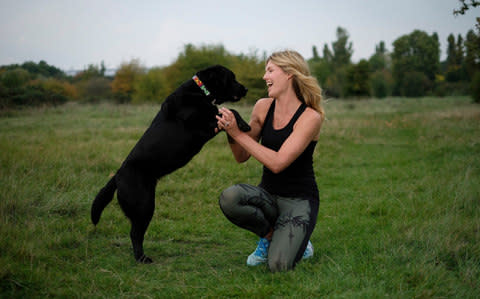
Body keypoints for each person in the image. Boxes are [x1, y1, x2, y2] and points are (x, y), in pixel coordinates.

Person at [216, 50, 324, 272]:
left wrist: (238, 134)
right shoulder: (263, 107)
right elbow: (241, 156)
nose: (265, 77)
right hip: (268, 196)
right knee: (230, 197)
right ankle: (269, 236)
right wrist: (230, 128)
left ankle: (302, 245)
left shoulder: (310, 117)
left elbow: (277, 163)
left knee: (278, 265)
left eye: (270, 70)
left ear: (289, 75)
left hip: (299, 200)